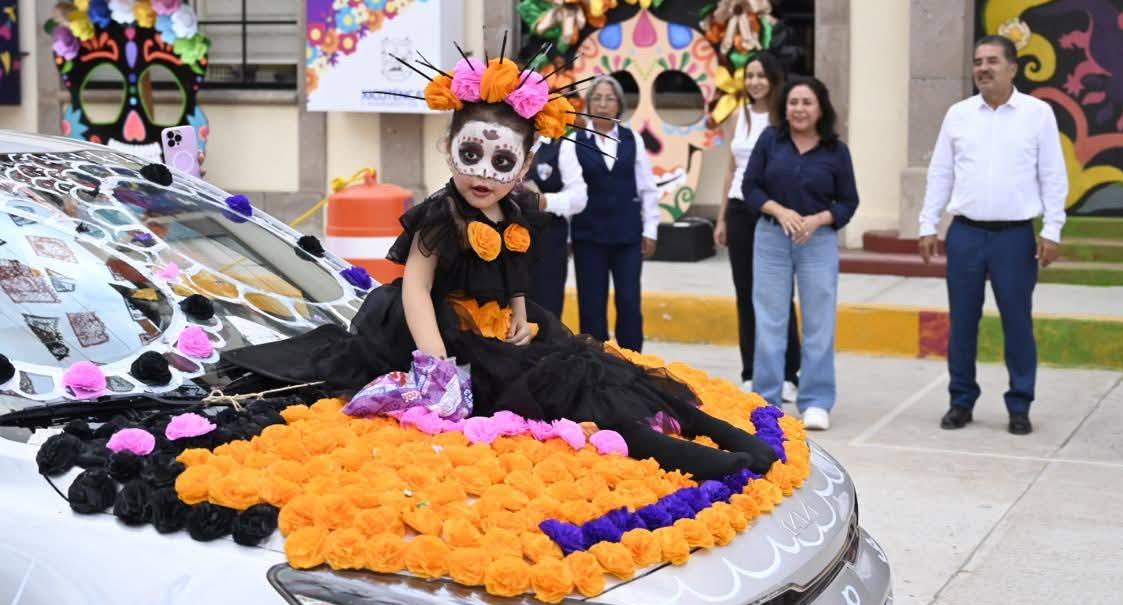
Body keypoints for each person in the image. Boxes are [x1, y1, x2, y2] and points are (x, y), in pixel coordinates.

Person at [223, 53, 777, 479]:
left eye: (502, 160)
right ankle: (670, 450)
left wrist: (519, 312)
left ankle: (709, 426)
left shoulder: (515, 211)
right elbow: (415, 289)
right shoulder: (440, 215)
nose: (484, 173)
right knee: (563, 391)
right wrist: (436, 365)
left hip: (499, 323)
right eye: (471, 155)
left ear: (525, 163)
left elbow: (512, 269)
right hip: (440, 332)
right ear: (448, 147)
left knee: (594, 364)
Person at [918, 35, 1068, 436]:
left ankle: (1020, 403)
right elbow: (941, 172)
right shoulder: (958, 115)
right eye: (978, 62)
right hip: (966, 233)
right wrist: (927, 223)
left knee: (1017, 323)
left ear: (1012, 68)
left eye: (992, 61)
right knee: (962, 323)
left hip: (1014, 237)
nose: (983, 68)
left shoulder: (1037, 114)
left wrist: (1053, 229)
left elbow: (1053, 174)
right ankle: (961, 400)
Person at [742, 76, 858, 431]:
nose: (799, 109)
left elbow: (848, 202)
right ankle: (767, 401)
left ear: (820, 108)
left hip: (817, 242)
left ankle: (816, 401)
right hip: (771, 238)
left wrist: (818, 219)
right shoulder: (770, 140)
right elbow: (750, 187)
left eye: (807, 102)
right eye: (793, 102)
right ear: (785, 106)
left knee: (819, 323)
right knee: (770, 322)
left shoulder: (835, 151)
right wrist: (780, 212)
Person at [713, 51, 802, 399]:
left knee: (779, 293)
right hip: (740, 209)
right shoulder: (740, 116)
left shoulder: (784, 119)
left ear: (774, 78)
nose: (754, 82)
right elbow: (731, 169)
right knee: (745, 291)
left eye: (761, 75)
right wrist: (721, 217)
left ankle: (789, 373)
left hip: (774, 211)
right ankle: (751, 371)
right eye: (749, 76)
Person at [571, 76, 660, 352]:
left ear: (619, 104)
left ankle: (632, 362)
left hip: (627, 235)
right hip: (588, 236)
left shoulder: (632, 139)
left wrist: (651, 230)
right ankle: (595, 364)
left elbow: (647, 188)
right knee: (591, 303)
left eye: (609, 98)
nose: (603, 104)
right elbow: (570, 189)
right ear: (588, 103)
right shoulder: (575, 140)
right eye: (597, 98)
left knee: (629, 301)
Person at [524, 135, 586, 319]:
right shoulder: (505, 138)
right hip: (503, 238)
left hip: (548, 240)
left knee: (546, 309)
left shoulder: (561, 146)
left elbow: (579, 198)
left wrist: (545, 201)